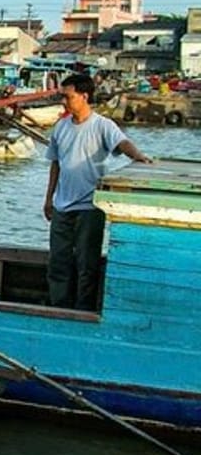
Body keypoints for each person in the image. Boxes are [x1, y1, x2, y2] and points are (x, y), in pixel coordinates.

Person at [43, 73, 152, 310]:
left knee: (86, 264)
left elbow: (122, 144)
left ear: (84, 96)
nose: (64, 101)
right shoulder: (61, 127)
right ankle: (58, 307)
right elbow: (55, 164)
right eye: (63, 97)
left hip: (90, 206)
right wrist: (48, 199)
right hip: (62, 205)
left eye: (68, 97)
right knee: (58, 262)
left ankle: (83, 309)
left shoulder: (102, 125)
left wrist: (139, 156)